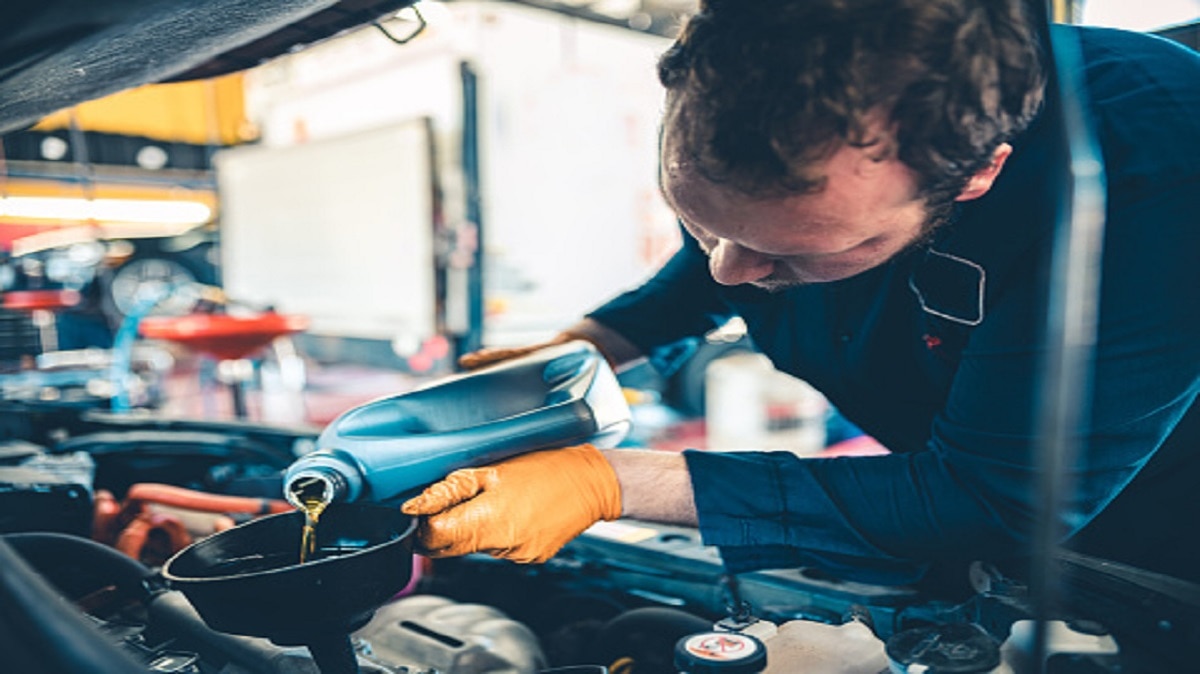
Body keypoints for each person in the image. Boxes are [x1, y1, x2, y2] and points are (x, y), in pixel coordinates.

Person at [402, 0, 1200, 586]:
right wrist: (599, 340)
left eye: (792, 254)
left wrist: (608, 481)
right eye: (696, 220)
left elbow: (992, 496)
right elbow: (736, 241)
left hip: (1145, 550)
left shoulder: (1157, 174)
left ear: (979, 173)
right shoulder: (761, 75)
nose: (726, 272)